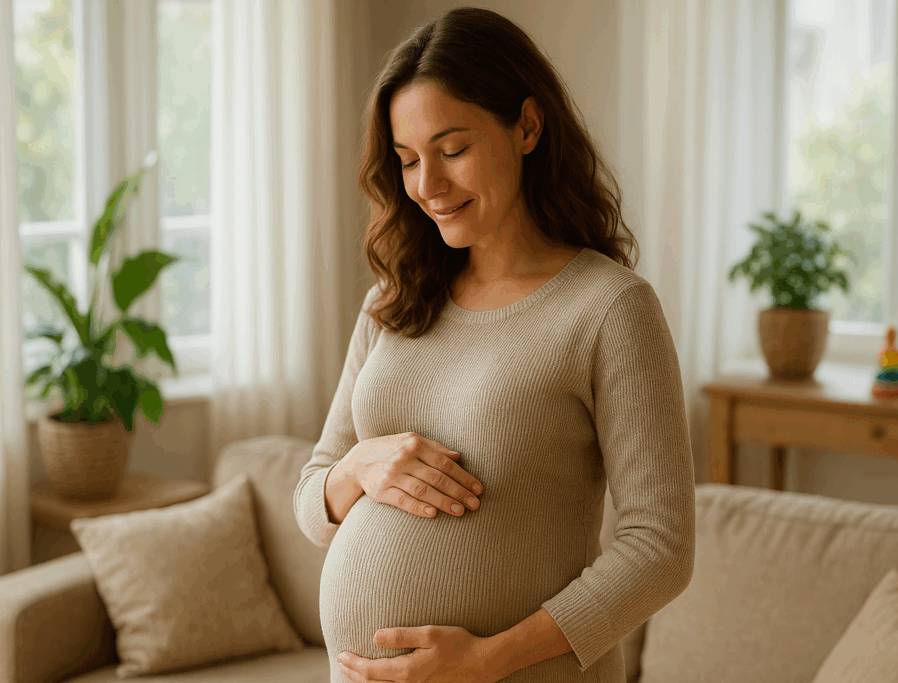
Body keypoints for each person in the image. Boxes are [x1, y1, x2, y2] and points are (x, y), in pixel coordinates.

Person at [292, 7, 695, 682]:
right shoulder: (394, 302)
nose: (428, 186)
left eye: (452, 151)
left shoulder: (609, 308)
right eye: (408, 160)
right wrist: (360, 466)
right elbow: (313, 499)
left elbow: (661, 548)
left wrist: (485, 659)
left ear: (527, 127)